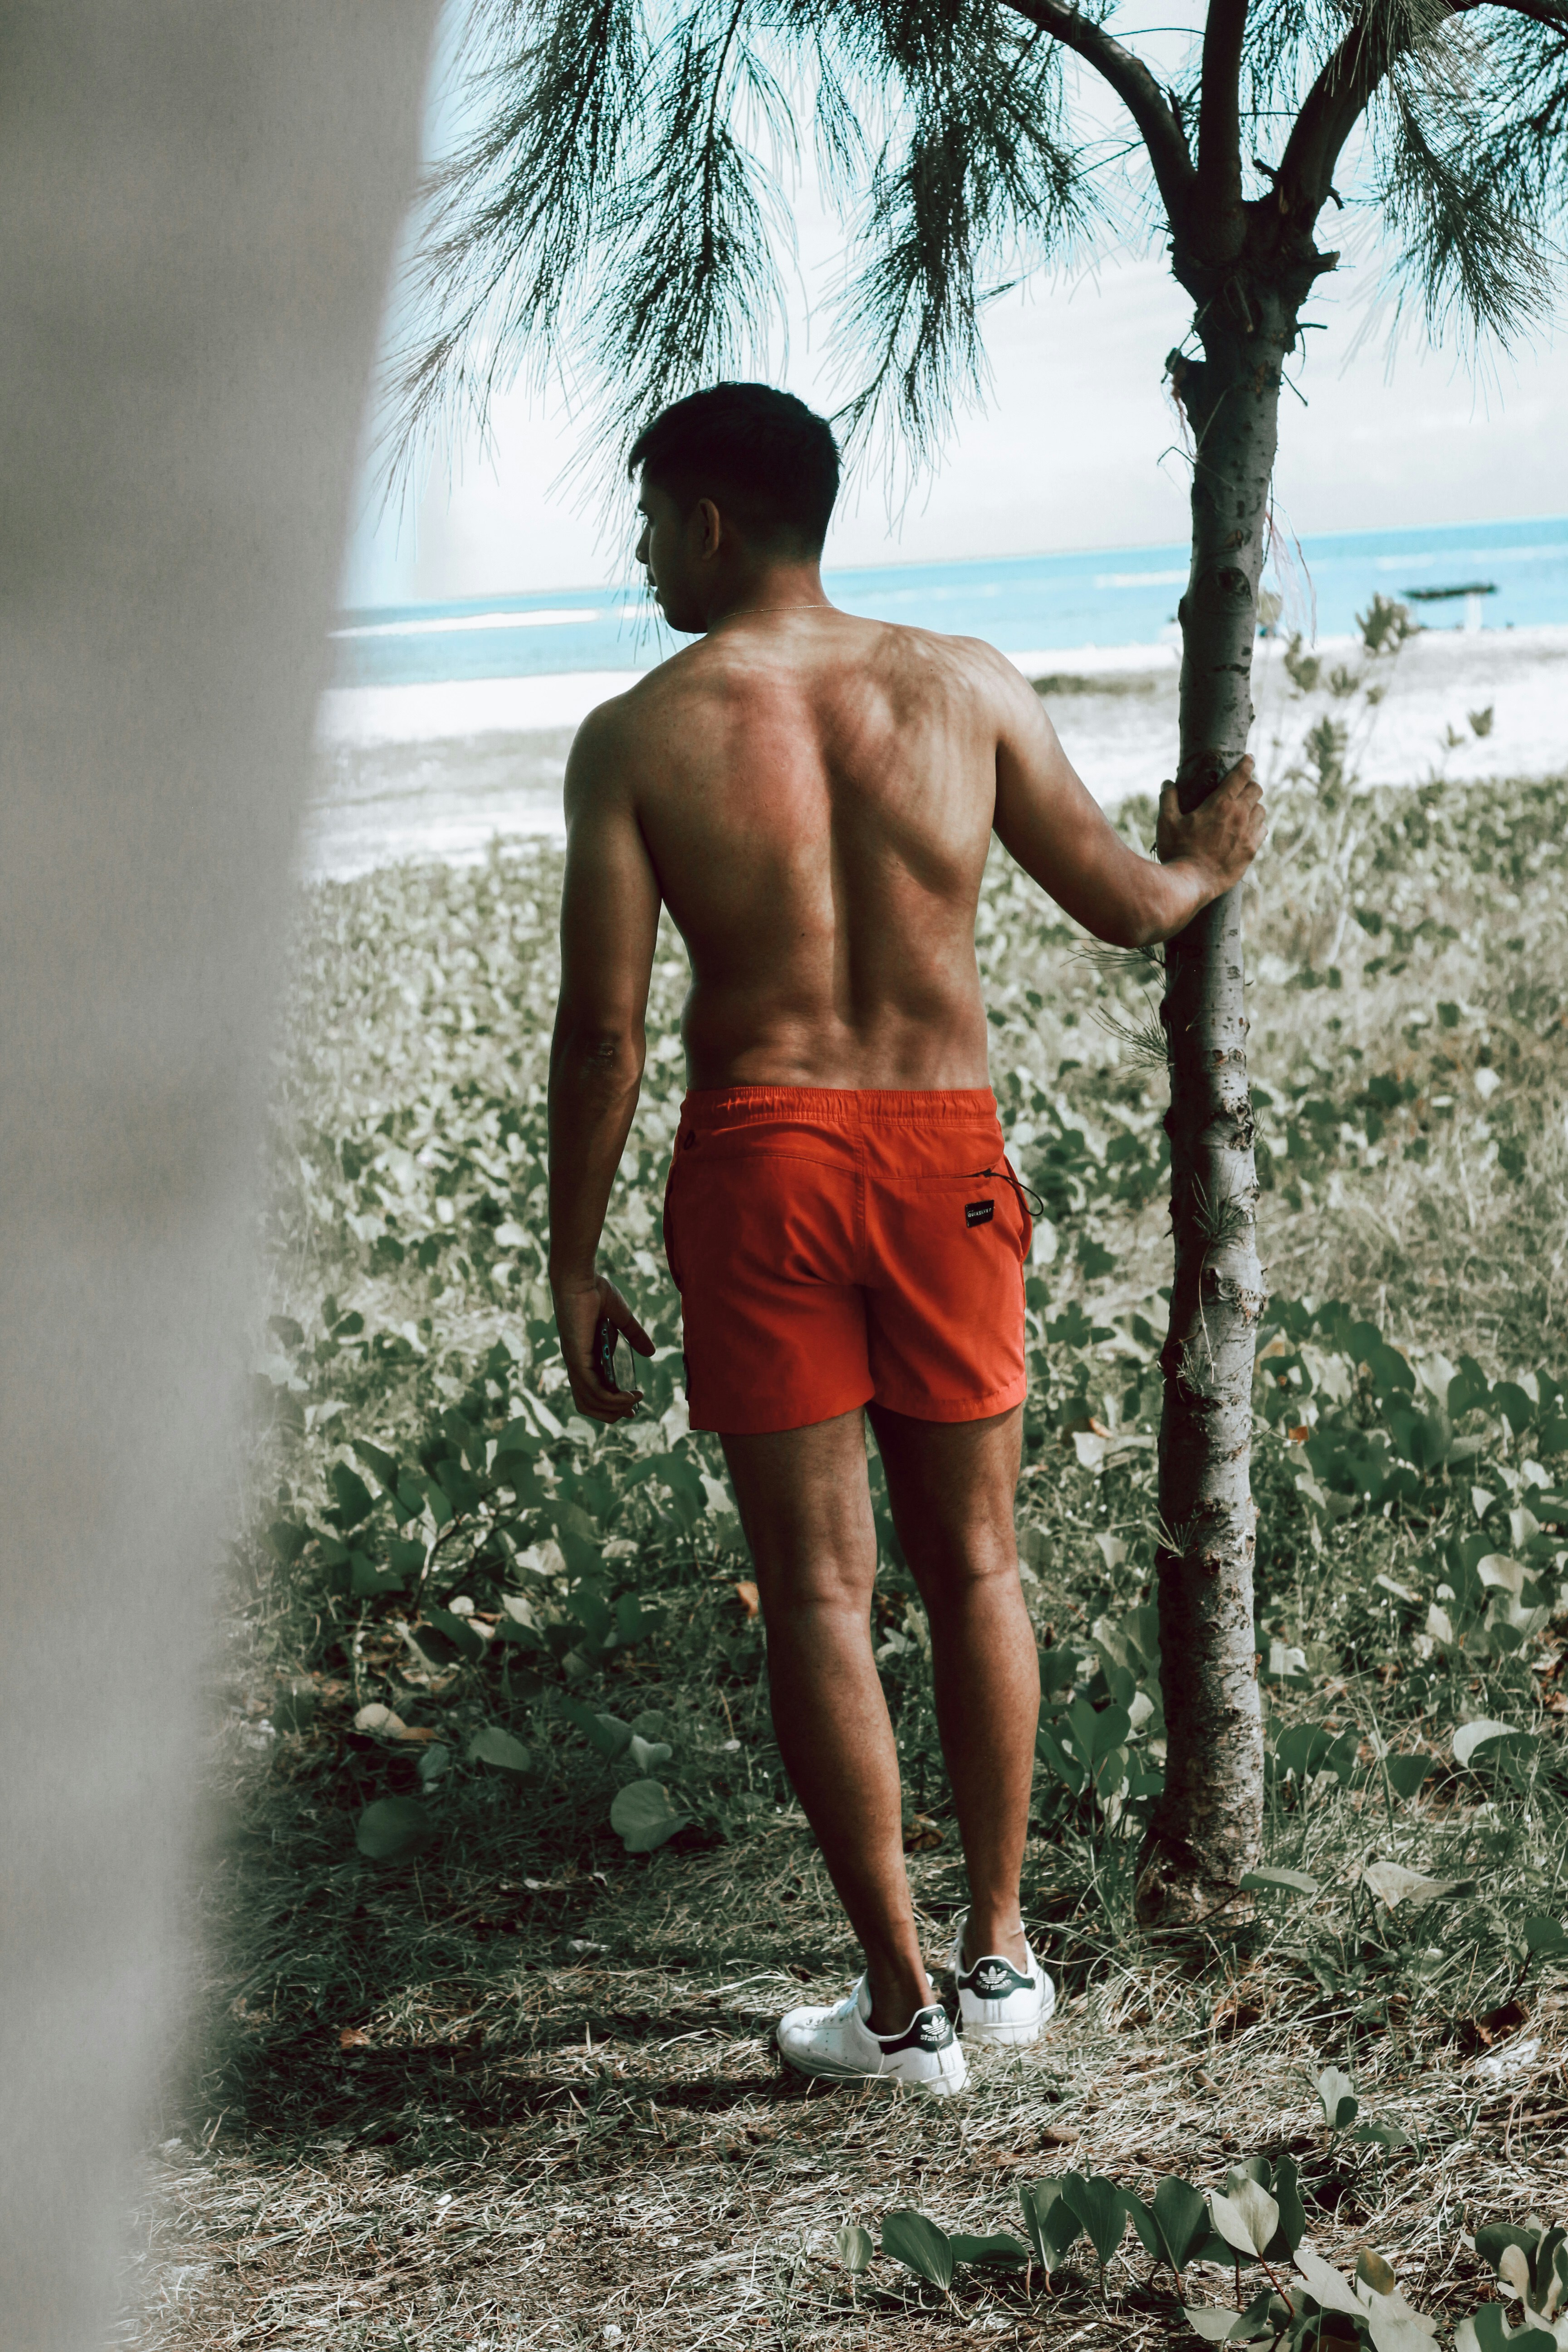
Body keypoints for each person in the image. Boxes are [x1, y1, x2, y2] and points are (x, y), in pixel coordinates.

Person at [547, 382, 1264, 2096]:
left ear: (712, 522)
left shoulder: (640, 734)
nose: (644, 551)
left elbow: (607, 1032)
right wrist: (1211, 860)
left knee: (818, 1589)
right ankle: (1003, 1954)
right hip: (947, 1156)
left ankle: (898, 2008)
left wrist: (571, 1259)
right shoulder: (967, 682)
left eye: (651, 519)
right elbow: (1122, 903)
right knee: (980, 1567)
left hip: (765, 1156)